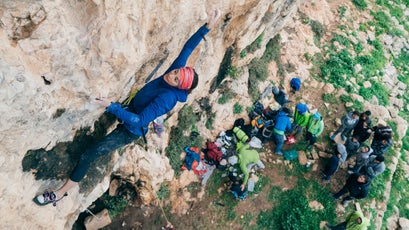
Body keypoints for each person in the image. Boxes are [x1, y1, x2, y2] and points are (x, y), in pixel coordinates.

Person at [33, 10, 222, 206]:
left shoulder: (168, 98)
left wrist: (111, 106)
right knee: (95, 140)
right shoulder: (174, 73)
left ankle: (60, 193)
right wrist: (206, 27)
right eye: (176, 72)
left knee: (89, 154)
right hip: (130, 108)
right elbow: (188, 48)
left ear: (179, 87)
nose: (172, 75)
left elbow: (139, 120)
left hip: (130, 129)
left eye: (176, 79)